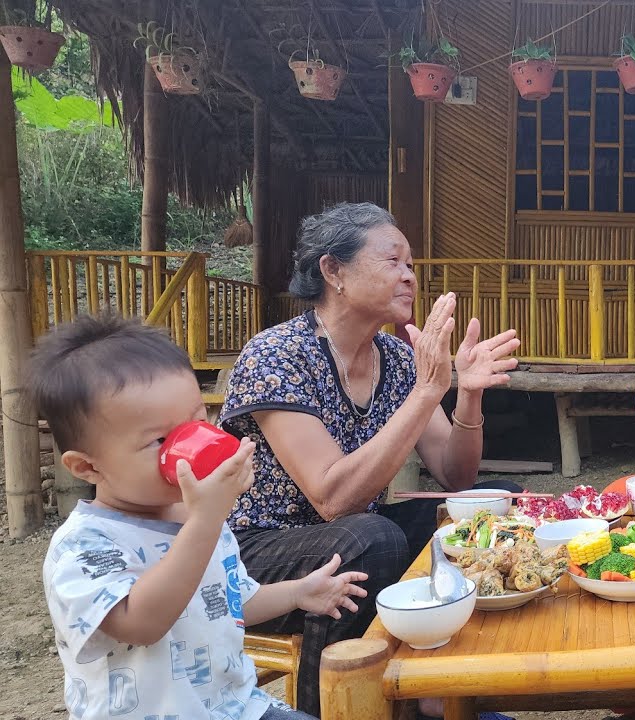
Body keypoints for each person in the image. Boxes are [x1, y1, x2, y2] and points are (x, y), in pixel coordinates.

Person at [218, 203, 520, 718]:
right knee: (371, 537)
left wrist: (466, 395)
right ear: (333, 270)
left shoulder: (398, 358)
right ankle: (341, 706)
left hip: (353, 533)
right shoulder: (276, 356)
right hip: (257, 550)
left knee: (475, 508)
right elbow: (332, 499)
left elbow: (454, 475)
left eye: (411, 265)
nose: (410, 276)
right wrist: (426, 393)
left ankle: (434, 693)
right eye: (394, 261)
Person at [35, 315, 367, 720]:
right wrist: (205, 521)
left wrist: (298, 593)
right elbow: (141, 623)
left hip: (238, 708)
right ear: (88, 468)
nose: (196, 442)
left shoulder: (198, 515)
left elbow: (230, 600)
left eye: (197, 421)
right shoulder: (85, 545)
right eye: (161, 440)